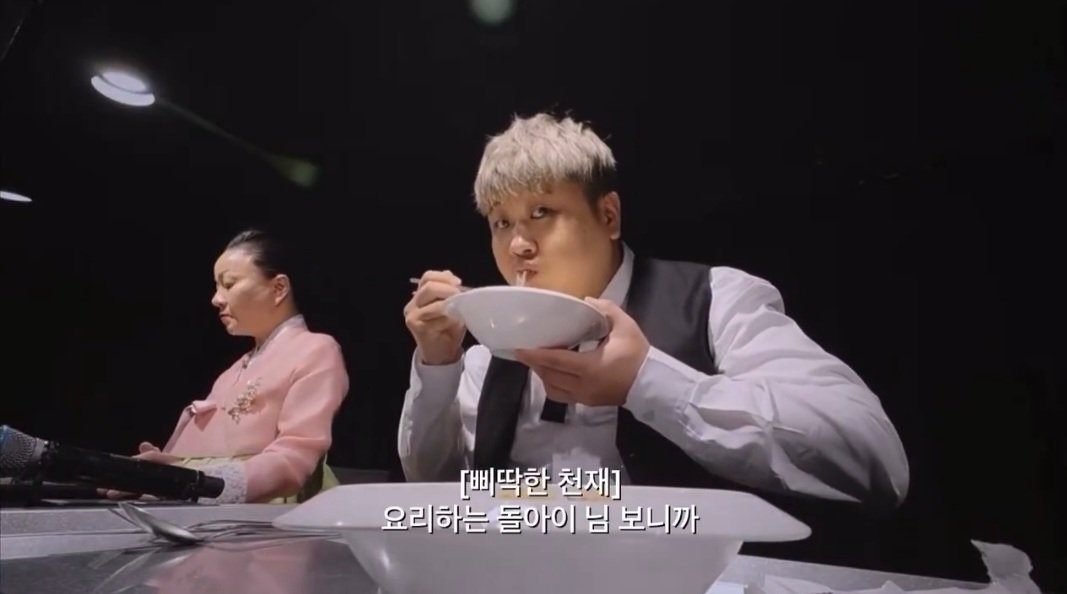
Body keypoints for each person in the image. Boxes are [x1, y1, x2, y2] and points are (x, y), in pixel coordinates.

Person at [399, 113, 910, 561]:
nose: (518, 246)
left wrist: (647, 382)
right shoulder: (490, 354)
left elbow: (877, 463)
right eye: (500, 222)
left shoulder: (715, 300)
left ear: (608, 216)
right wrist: (439, 365)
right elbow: (437, 495)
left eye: (541, 213)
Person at [109, 229, 349, 504]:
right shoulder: (231, 372)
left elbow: (295, 458)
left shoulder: (316, 349)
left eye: (229, 284)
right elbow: (209, 458)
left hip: (267, 515)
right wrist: (164, 468)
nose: (216, 299)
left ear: (278, 288)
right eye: (217, 286)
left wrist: (192, 481)